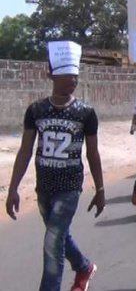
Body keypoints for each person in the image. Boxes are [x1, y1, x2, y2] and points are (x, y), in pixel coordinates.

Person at [5, 41, 105, 291]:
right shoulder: (36, 110)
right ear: (51, 74)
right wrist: (13, 189)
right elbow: (25, 150)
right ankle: (84, 267)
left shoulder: (86, 112)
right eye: (67, 73)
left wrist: (100, 189)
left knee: (52, 242)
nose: (73, 78)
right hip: (44, 187)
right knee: (59, 236)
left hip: (70, 187)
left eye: (76, 73)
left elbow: (92, 153)